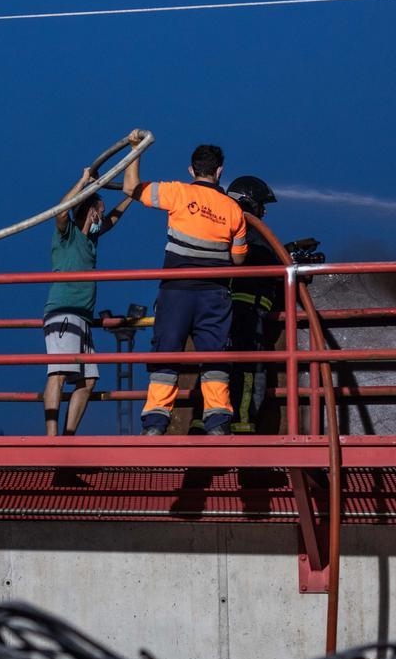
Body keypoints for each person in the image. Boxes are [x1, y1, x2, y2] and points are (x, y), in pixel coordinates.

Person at [120, 130, 248, 435]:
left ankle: (155, 425)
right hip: (214, 295)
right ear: (220, 171)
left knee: (167, 354)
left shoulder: (177, 193)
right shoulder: (234, 209)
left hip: (176, 291)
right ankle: (218, 424)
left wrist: (136, 150)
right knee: (214, 358)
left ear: (191, 171)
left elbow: (129, 188)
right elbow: (240, 259)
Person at [42, 169, 133, 436]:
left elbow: (113, 221)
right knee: (58, 373)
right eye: (99, 211)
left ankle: (68, 437)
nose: (102, 217)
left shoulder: (91, 239)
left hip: (82, 318)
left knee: (89, 379)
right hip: (64, 313)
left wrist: (131, 196)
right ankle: (51, 439)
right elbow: (61, 211)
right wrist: (82, 181)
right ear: (89, 211)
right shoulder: (67, 233)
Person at [225, 176, 279, 434]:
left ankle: (204, 422)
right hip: (247, 308)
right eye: (261, 204)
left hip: (229, 308)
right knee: (250, 367)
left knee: (219, 367)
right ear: (249, 201)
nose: (264, 210)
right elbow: (266, 260)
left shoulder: (227, 223)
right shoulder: (248, 226)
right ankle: (243, 423)